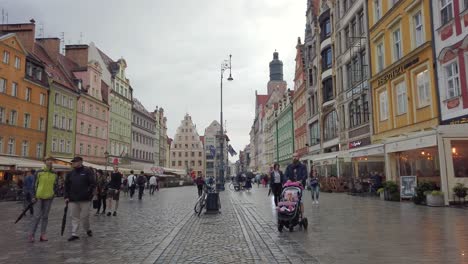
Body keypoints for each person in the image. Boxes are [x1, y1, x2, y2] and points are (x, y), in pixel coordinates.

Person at [64, 156, 96, 242]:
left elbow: (93, 183)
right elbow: (66, 186)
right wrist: (66, 196)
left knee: (85, 217)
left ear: (81, 162)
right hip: (73, 199)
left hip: (85, 199)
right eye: (73, 162)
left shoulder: (87, 171)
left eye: (75, 161)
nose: (74, 163)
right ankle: (74, 233)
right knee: (74, 217)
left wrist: (89, 194)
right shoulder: (70, 173)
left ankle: (87, 229)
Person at [29, 157, 58, 242]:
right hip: (39, 196)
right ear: (45, 162)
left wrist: (53, 193)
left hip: (49, 197)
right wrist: (33, 196)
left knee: (45, 216)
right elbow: (34, 184)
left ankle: (43, 234)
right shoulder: (39, 172)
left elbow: (56, 185)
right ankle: (31, 234)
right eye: (48, 160)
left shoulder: (54, 173)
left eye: (51, 160)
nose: (50, 162)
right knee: (36, 216)